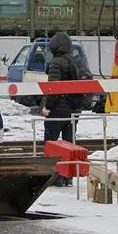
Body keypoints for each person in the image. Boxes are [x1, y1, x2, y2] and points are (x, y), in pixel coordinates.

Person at [41, 31, 77, 186]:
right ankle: (68, 177)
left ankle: (54, 176)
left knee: (51, 144)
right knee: (69, 144)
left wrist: (47, 107)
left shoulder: (56, 63)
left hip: (57, 110)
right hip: (72, 110)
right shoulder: (74, 60)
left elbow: (53, 89)